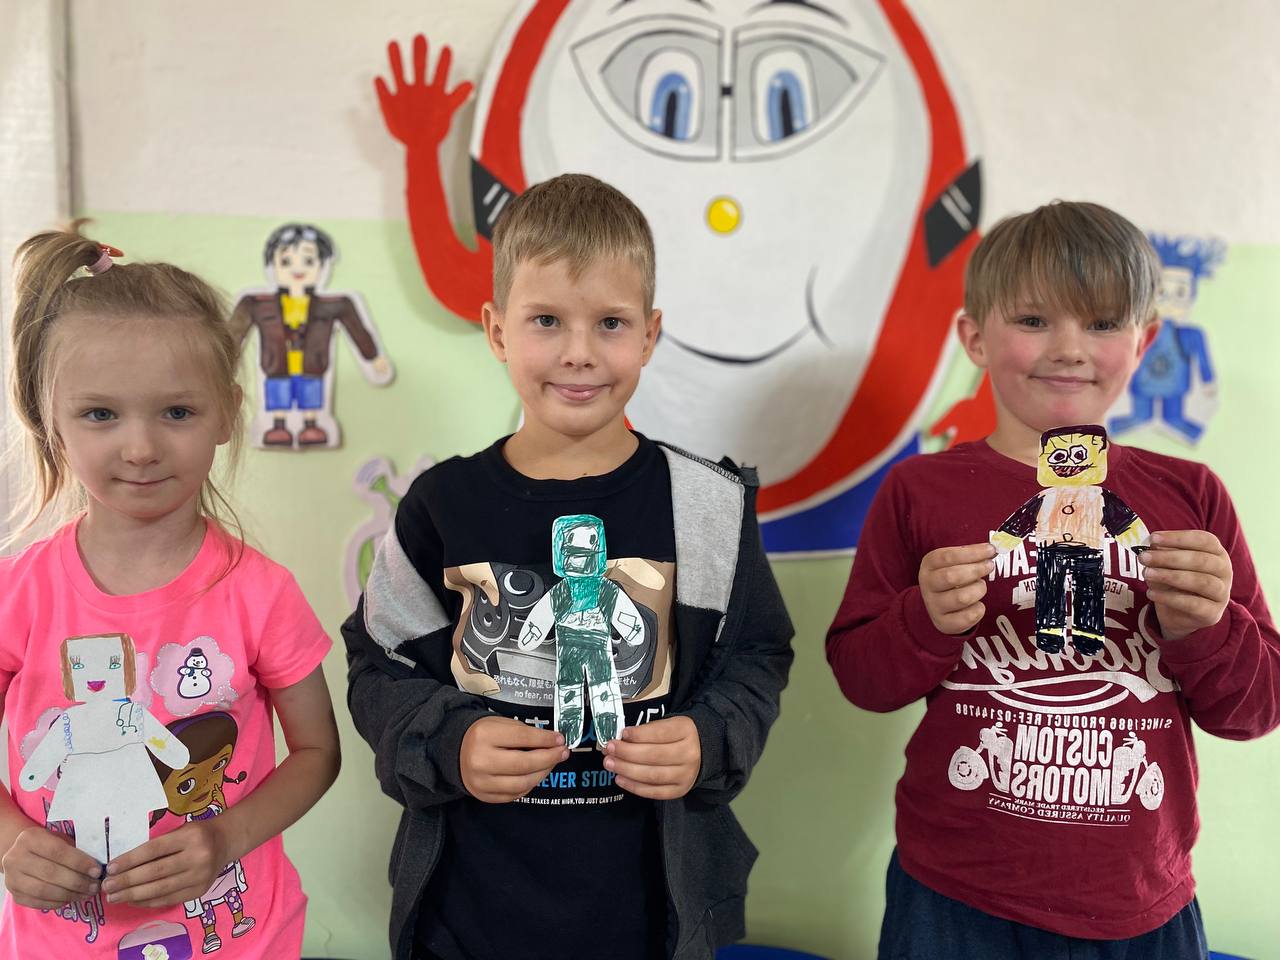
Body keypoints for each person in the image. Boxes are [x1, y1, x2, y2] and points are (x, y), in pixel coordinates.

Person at [343, 174, 794, 960]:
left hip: (653, 920)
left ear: (649, 335)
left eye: (610, 323)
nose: (579, 352)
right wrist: (450, 742)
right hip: (469, 918)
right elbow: (377, 665)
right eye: (546, 320)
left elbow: (757, 656)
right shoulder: (440, 505)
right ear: (497, 330)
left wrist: (708, 738)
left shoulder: (708, 507)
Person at [826, 201, 1280, 959]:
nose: (1069, 349)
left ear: (1144, 342)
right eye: (1034, 320)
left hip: (1140, 901)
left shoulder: (1191, 496)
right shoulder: (918, 491)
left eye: (1102, 323)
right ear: (974, 337)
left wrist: (1210, 626)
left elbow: (1256, 709)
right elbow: (861, 679)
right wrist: (922, 619)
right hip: (952, 895)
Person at [0, 224, 340, 958]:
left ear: (226, 413)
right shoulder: (17, 593)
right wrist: (9, 839)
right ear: (51, 421)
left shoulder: (262, 592)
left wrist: (226, 837)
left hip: (240, 938)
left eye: (177, 412)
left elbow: (318, 751)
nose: (141, 447)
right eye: (100, 413)